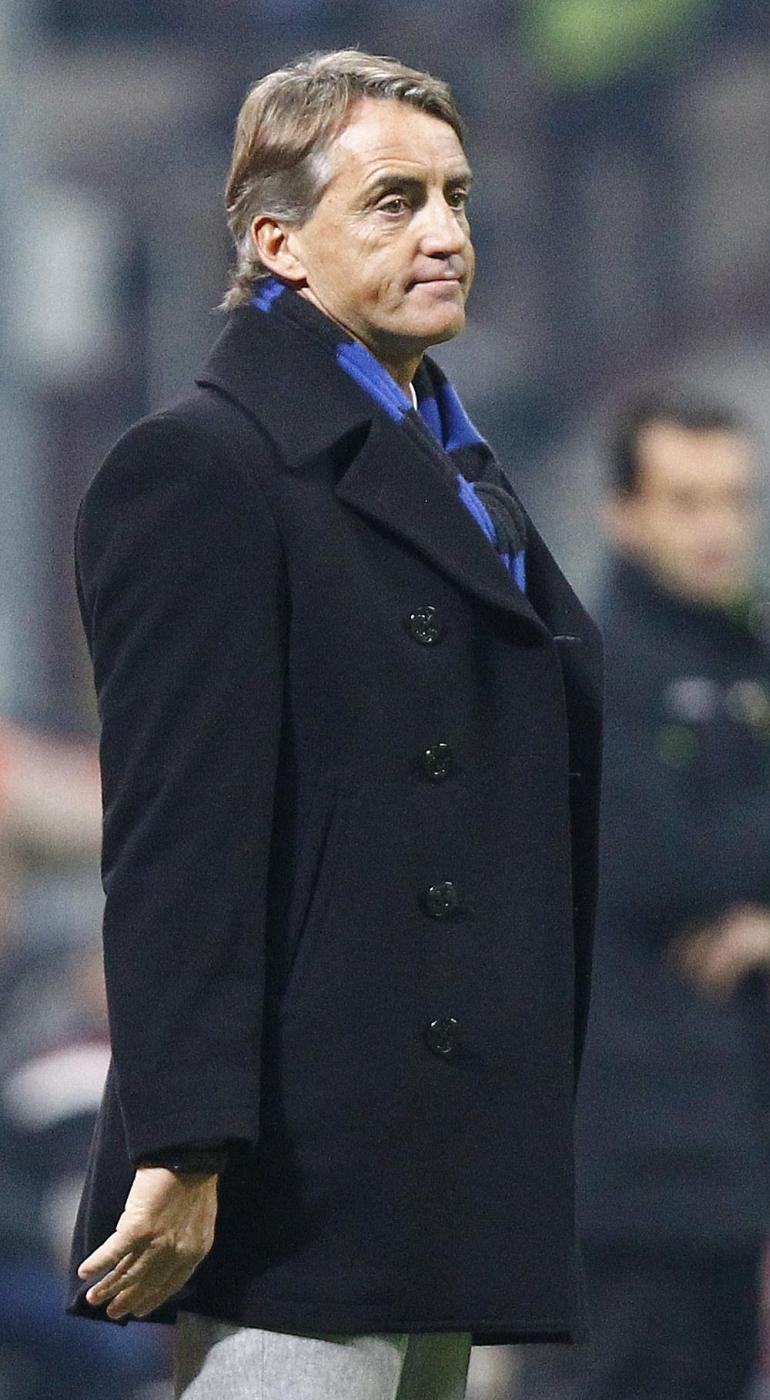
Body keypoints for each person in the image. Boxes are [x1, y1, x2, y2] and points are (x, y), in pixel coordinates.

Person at [66, 50, 603, 1400]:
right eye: (392, 201)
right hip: (298, 1172)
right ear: (277, 241)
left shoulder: (459, 471)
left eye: (456, 197)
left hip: (439, 1154)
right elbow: (178, 842)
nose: (445, 233)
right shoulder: (201, 469)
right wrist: (186, 1143)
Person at [569, 389, 770, 1400]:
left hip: (734, 1140)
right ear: (624, 513)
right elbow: (658, 860)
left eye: (734, 499)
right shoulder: (592, 659)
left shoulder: (750, 653)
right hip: (617, 1155)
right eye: (686, 500)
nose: (716, 527)